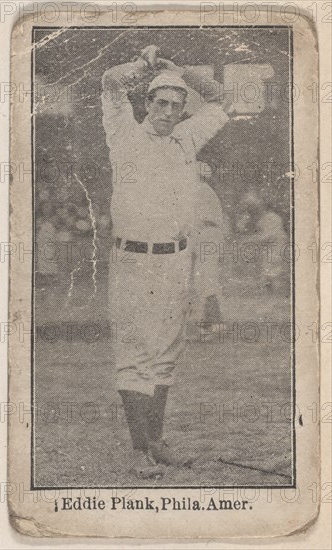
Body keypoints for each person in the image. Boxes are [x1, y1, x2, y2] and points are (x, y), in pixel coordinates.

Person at [101, 45, 233, 478]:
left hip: (176, 260)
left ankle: (156, 443)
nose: (168, 111)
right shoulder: (124, 132)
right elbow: (110, 82)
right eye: (161, 102)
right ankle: (141, 450)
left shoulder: (187, 138)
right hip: (135, 261)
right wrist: (148, 65)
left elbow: (221, 99)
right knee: (136, 355)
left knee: (165, 354)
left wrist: (183, 70)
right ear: (147, 104)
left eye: (176, 106)